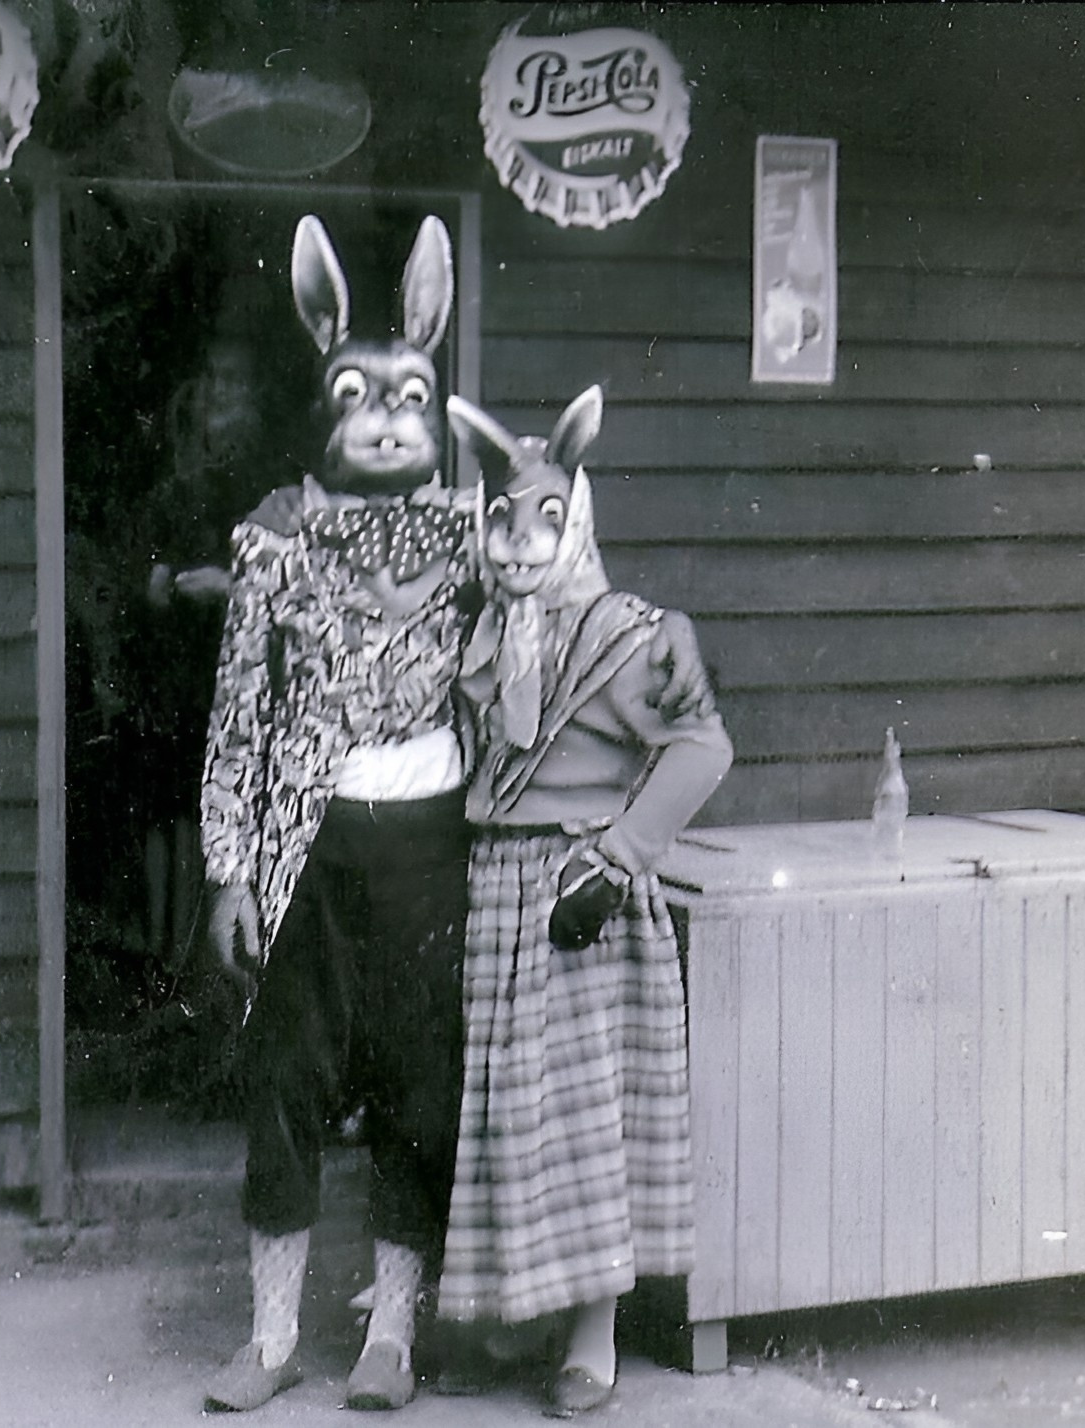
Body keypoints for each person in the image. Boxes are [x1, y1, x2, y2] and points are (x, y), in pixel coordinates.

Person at [199, 217, 712, 1415]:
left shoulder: (472, 537)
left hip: (435, 844)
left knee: (421, 1085)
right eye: (356, 397)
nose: (386, 421)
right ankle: (271, 1337)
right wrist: (229, 868)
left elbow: (560, 585)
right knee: (286, 1080)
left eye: (411, 398)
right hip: (302, 845)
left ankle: (392, 1336)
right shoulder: (273, 541)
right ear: (322, 407)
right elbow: (237, 713)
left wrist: (661, 636)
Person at [436, 387, 732, 1419]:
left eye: (545, 519)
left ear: (577, 521)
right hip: (495, 888)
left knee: (582, 1116)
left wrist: (617, 858)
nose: (520, 542)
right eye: (503, 520)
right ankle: (515, 1315)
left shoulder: (628, 635)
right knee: (507, 1112)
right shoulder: (482, 630)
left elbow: (702, 748)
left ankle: (591, 1335)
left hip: (578, 893)